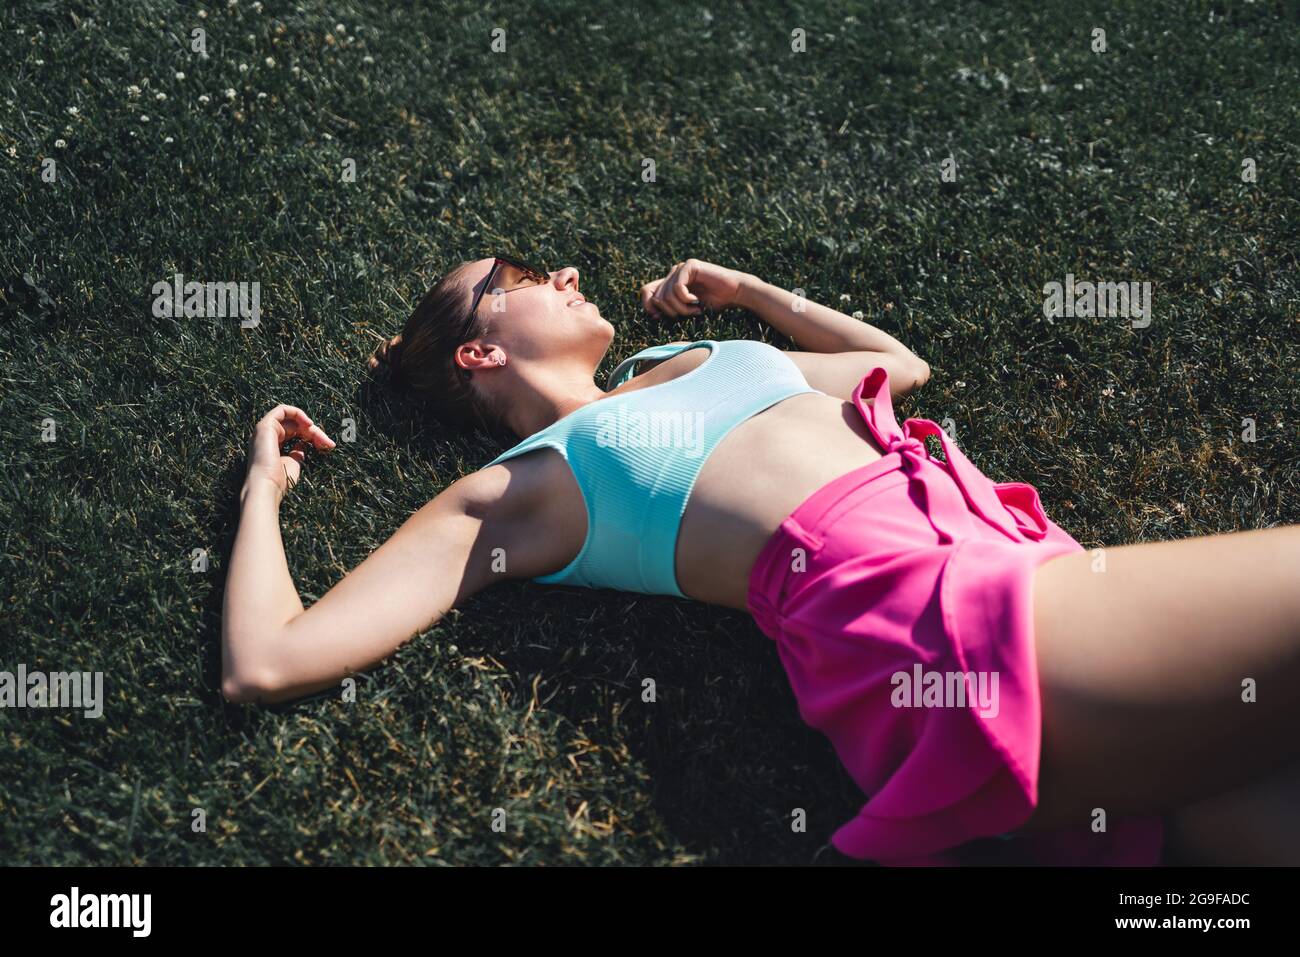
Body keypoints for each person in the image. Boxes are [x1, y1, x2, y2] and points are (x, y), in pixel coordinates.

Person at [221, 256, 1300, 865]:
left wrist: (746, 294)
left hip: (1015, 567)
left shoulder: (685, 355)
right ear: (480, 351)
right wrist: (262, 491)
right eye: (517, 274)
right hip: (933, 620)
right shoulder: (528, 485)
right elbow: (268, 660)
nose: (563, 268)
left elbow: (892, 365)